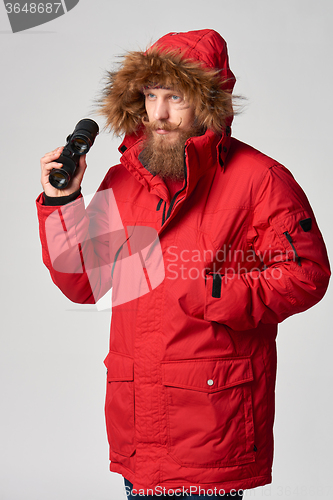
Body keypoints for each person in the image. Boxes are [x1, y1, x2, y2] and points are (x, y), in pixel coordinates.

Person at [36, 29, 330, 498]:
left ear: (209, 101)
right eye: (151, 96)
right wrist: (62, 201)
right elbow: (82, 283)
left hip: (212, 424)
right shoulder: (125, 179)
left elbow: (307, 274)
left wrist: (217, 293)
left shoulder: (261, 179)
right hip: (138, 429)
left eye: (175, 96)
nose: (160, 114)